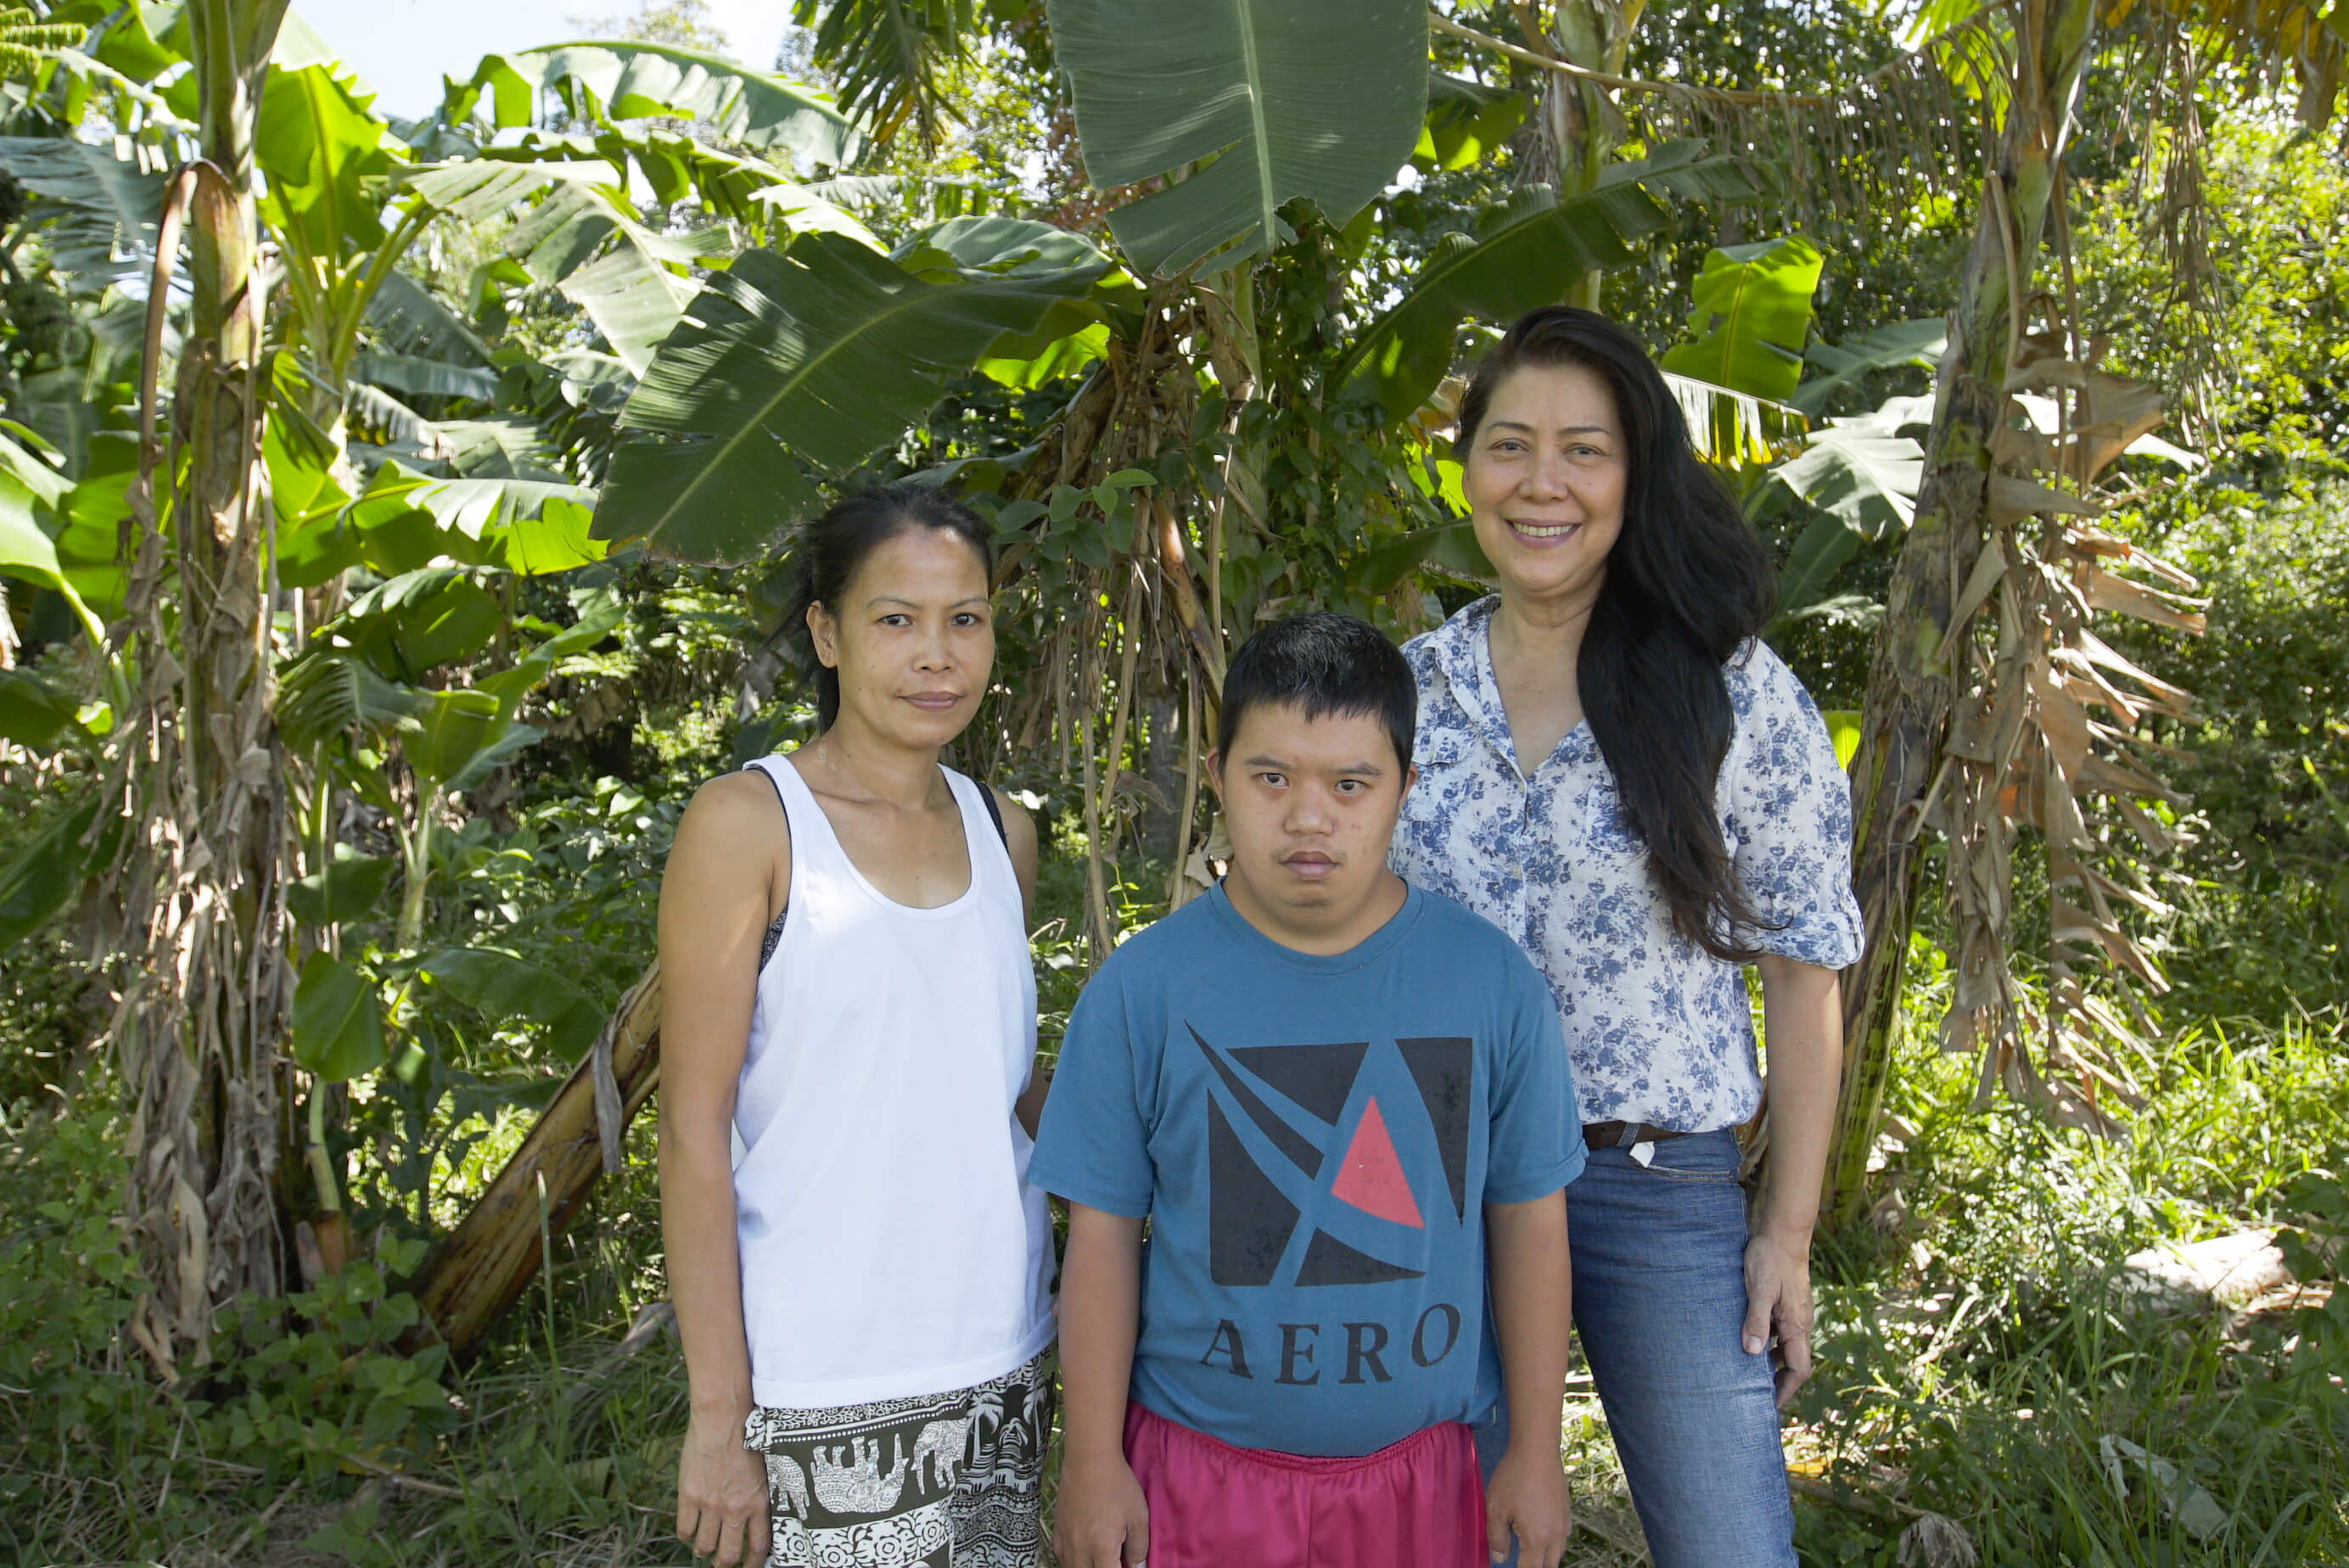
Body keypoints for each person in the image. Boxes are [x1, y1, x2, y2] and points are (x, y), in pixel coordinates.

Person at [1389, 305, 1865, 1568]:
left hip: (1659, 1191)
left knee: (1733, 1549)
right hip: (1440, 1194)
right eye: (1509, 445)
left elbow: (1804, 966)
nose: (1542, 483)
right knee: (1458, 1543)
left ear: (1636, 473)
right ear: (1466, 466)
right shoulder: (1401, 696)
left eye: (1584, 450)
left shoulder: (1730, 689)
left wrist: (1789, 1232)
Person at [1034, 612, 1586, 1568]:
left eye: (1349, 783)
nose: (1307, 817)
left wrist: (1536, 1452)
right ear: (1216, 776)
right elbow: (1100, 1241)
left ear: (1405, 788)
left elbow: (1531, 1226)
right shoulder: (1142, 991)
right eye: (1271, 777)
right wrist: (1090, 1462)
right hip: (1195, 1474)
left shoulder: (1489, 984)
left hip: (1420, 1478)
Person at [658, 483, 1057, 1568]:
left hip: (999, 1354)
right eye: (896, 619)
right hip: (818, 1375)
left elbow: (995, 1086)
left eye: (964, 619)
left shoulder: (1001, 830)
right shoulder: (748, 824)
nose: (937, 655)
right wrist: (717, 1415)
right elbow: (691, 1131)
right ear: (827, 633)